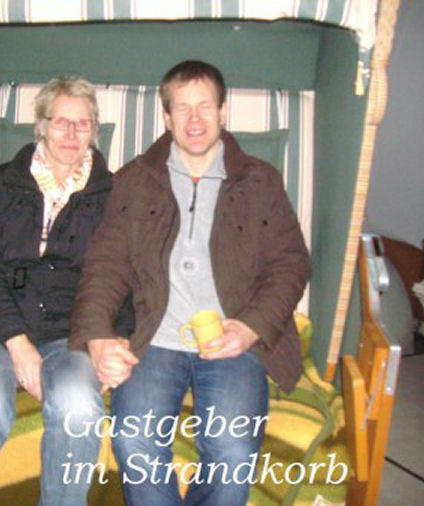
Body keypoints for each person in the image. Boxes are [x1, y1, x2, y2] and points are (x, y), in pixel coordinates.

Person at [70, 60, 311, 505]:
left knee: (233, 450)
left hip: (233, 338)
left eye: (205, 106)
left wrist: (251, 327)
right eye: (182, 108)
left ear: (223, 112)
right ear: (166, 117)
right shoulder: (134, 180)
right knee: (135, 439)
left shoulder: (260, 180)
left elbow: (291, 264)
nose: (194, 119)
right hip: (154, 339)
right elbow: (104, 266)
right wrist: (99, 336)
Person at [0, 76, 132, 506]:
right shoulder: (4, 182)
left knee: (79, 408)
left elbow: (120, 273)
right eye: (61, 121)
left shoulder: (112, 192)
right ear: (41, 125)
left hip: (67, 331)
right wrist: (17, 342)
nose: (71, 133)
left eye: (82, 123)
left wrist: (118, 339)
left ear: (95, 130)